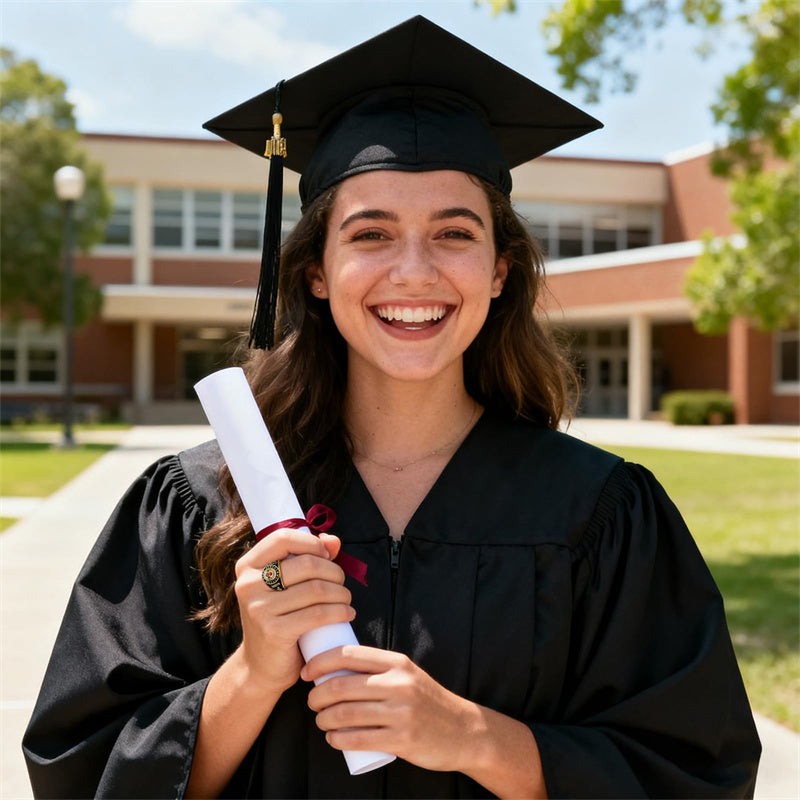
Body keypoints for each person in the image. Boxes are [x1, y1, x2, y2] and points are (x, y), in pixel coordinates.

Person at [23, 16, 760, 799]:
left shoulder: (599, 515)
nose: (414, 272)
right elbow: (83, 775)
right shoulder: (202, 504)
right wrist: (253, 672)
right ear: (316, 270)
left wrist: (471, 736)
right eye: (371, 233)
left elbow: (693, 775)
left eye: (454, 233)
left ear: (500, 270)